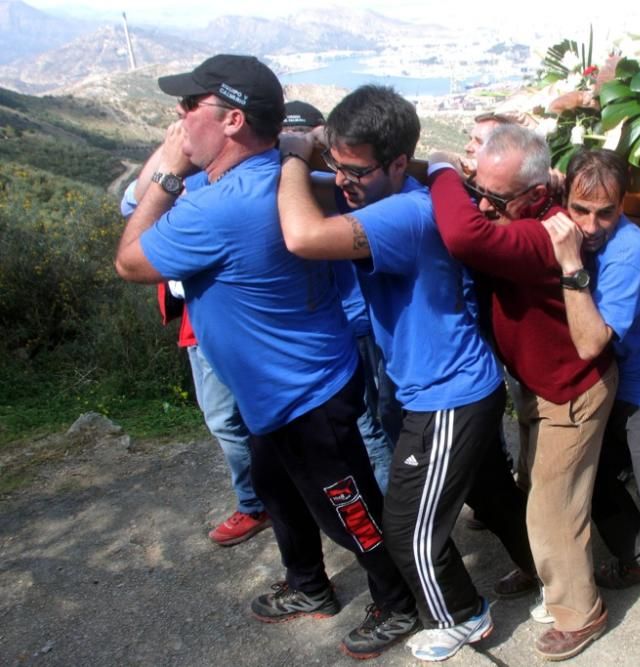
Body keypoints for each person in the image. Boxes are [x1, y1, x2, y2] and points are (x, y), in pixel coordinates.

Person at [113, 54, 415, 660]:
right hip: (280, 389)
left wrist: (170, 170)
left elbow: (130, 255)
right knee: (278, 493)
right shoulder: (270, 174)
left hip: (303, 395)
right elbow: (132, 203)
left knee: (346, 507)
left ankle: (400, 599)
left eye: (188, 107)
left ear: (230, 122)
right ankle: (309, 585)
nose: (176, 118)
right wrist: (184, 164)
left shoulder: (220, 206)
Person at [277, 84, 535, 662]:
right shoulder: (391, 192)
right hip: (454, 385)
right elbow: (330, 189)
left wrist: (297, 153)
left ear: (396, 163)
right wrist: (326, 163)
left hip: (449, 397)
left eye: (355, 171)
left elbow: (302, 235)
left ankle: (461, 615)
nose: (342, 181)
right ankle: (550, 569)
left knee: (409, 526)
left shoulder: (404, 214)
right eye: (334, 165)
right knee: (492, 497)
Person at [429, 125, 619, 661]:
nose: (481, 206)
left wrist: (442, 167)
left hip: (573, 392)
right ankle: (547, 570)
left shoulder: (546, 235)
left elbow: (465, 236)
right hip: (540, 386)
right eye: (476, 190)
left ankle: (580, 613)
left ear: (534, 196)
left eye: (492, 198)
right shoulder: (530, 210)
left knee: (553, 511)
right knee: (533, 486)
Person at [540, 148, 640, 589]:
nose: (589, 225)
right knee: (594, 480)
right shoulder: (583, 226)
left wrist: (569, 264)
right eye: (579, 210)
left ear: (623, 206)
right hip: (607, 386)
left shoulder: (625, 253)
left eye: (605, 213)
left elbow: (591, 342)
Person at [119, 161, 269, 548]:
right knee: (243, 416)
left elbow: (131, 251)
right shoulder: (196, 182)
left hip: (214, 322)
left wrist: (175, 185)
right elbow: (128, 203)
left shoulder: (214, 187)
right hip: (202, 320)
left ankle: (257, 504)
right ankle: (270, 497)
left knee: (225, 417)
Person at [281, 100, 397, 494]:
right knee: (374, 420)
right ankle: (398, 504)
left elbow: (305, 237)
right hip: (346, 323)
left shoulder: (340, 186)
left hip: (366, 319)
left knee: (383, 419)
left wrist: (300, 155)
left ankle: (401, 511)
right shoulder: (312, 188)